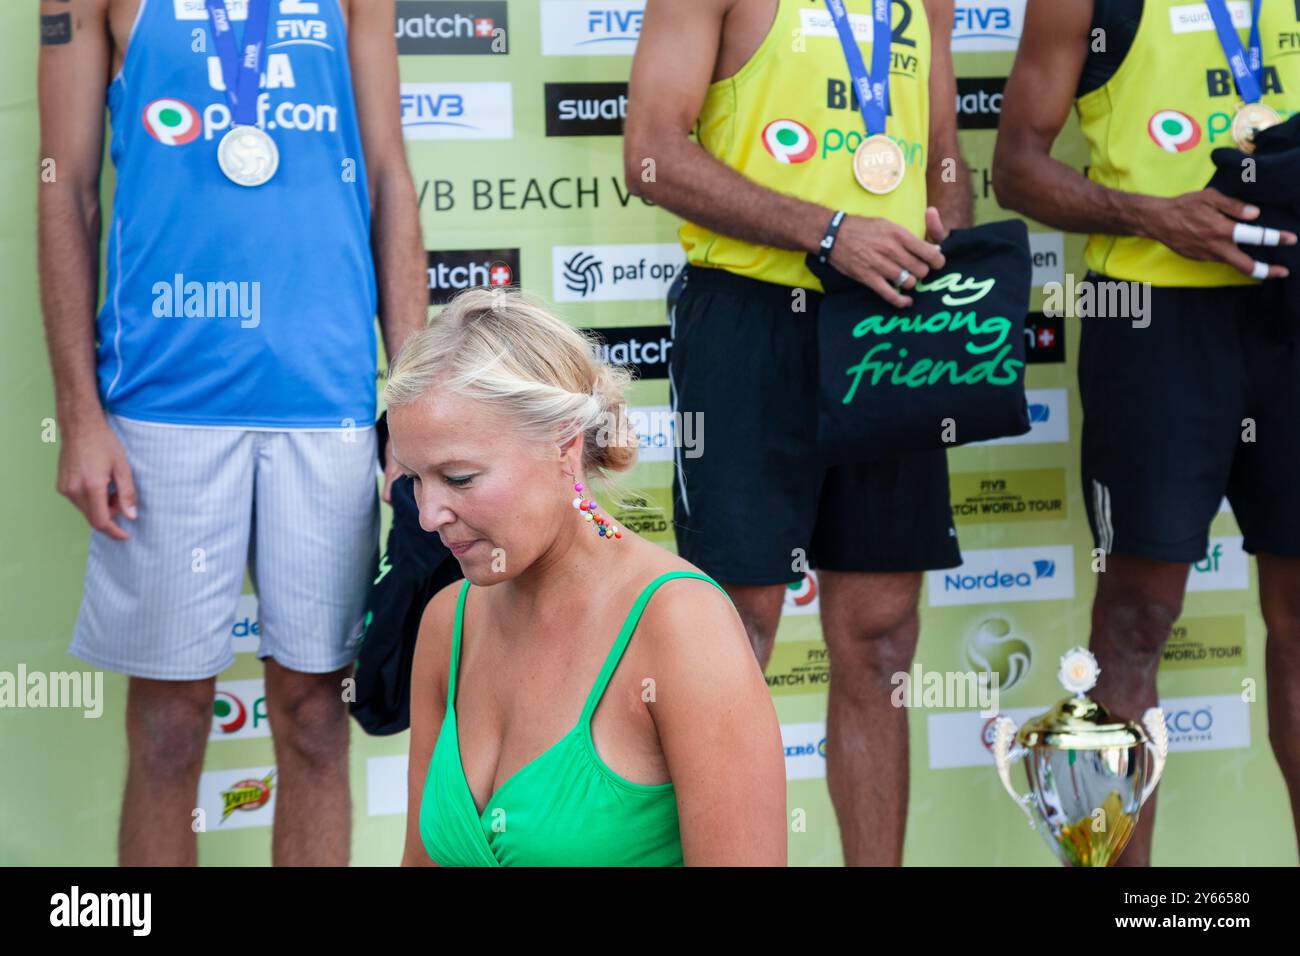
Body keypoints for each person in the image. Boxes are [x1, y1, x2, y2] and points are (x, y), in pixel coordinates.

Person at [37, 0, 426, 865]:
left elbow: (390, 176)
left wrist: (413, 399)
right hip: (161, 403)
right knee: (171, 728)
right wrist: (78, 414)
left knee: (318, 718)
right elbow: (66, 185)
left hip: (323, 400)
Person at [624, 0, 971, 864]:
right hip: (749, 315)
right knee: (733, 632)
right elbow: (653, 157)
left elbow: (944, 155)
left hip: (891, 318)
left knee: (884, 636)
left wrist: (943, 221)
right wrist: (827, 232)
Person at [994, 0, 1300, 864]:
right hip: (1157, 324)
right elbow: (1016, 168)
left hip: (1293, 311)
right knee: (1132, 622)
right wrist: (1153, 214)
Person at [395, 288, 787, 866]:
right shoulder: (447, 622)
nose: (429, 516)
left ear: (564, 446)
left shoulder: (680, 624)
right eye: (414, 480)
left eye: (458, 478)